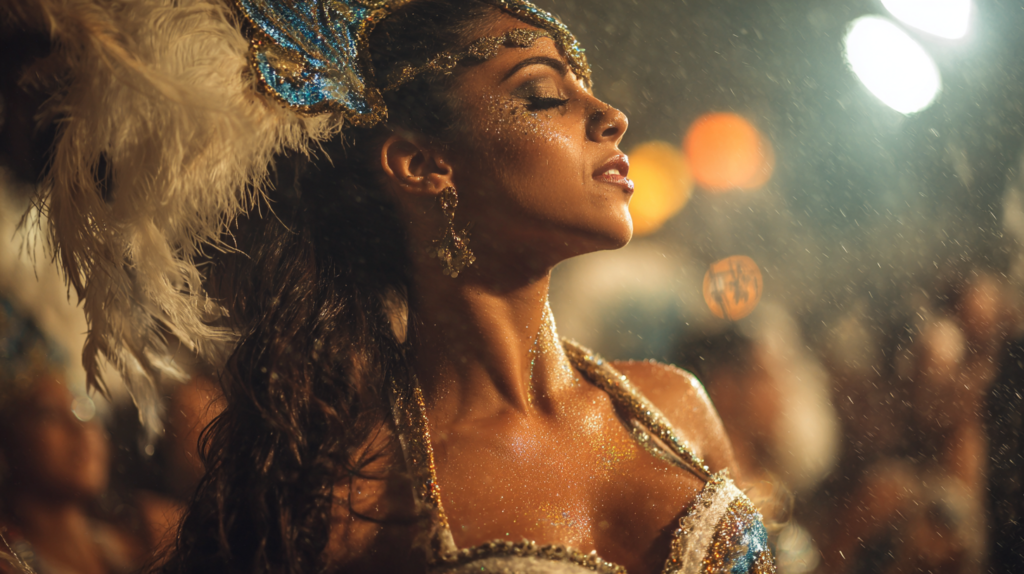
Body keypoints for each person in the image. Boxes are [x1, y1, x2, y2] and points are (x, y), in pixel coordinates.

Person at [8, 0, 777, 572]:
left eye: (592, 91)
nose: (611, 115)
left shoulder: (675, 408)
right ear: (422, 165)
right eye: (544, 95)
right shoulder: (350, 491)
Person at [0, 300, 140, 574]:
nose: (80, 428)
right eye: (48, 414)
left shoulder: (148, 539)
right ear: (7, 444)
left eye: (84, 408)